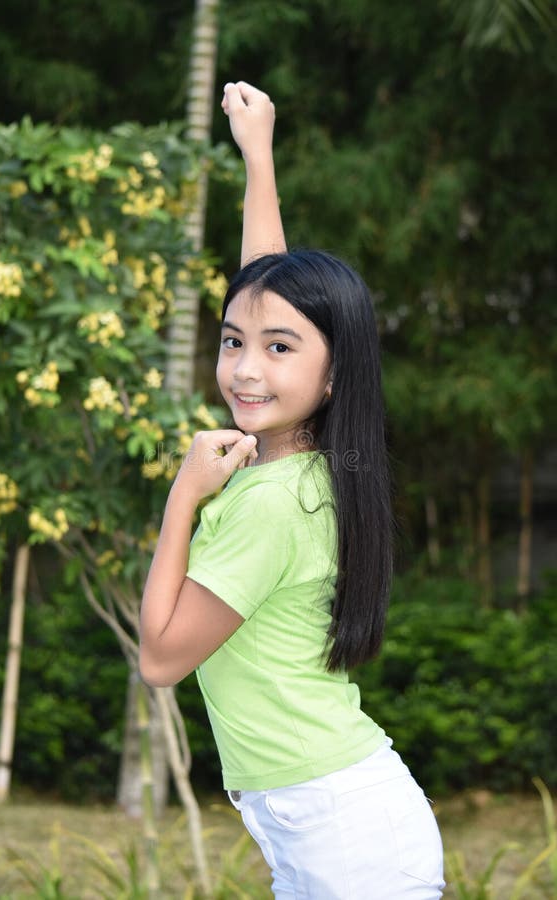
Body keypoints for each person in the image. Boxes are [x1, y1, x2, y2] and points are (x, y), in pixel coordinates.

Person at [139, 81, 445, 899]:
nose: (244, 367)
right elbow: (266, 290)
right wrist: (259, 156)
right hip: (332, 822)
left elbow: (162, 657)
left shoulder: (271, 501)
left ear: (333, 370)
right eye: (233, 341)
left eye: (277, 349)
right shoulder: (304, 464)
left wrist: (182, 498)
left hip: (345, 839)